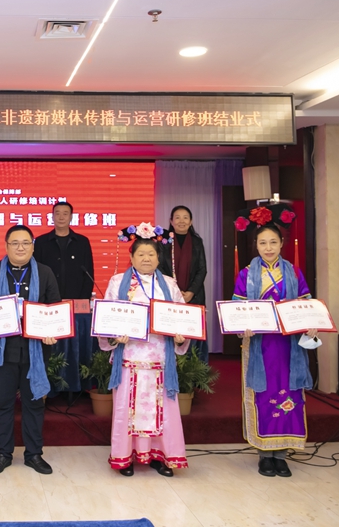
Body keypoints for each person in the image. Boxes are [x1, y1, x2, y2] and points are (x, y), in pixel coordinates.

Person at [99, 223, 190, 478]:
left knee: (162, 412)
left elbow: (182, 316)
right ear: (131, 257)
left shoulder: (169, 284)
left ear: (159, 258)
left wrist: (181, 335)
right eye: (141, 254)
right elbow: (107, 317)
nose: (146, 258)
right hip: (129, 356)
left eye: (151, 254)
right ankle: (125, 457)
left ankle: (159, 456)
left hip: (161, 357)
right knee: (127, 409)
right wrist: (115, 335)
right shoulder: (118, 282)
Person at [233, 219, 317, 478]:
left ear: (281, 244)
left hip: (288, 347)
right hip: (260, 347)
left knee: (290, 394)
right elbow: (237, 308)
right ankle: (264, 455)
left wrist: (311, 324)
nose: (268, 248)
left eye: (273, 242)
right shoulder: (247, 274)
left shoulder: (294, 273)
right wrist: (243, 326)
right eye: (263, 243)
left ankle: (281, 456)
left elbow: (305, 303)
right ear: (256, 246)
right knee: (263, 395)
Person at [0, 225, 60, 475]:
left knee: (34, 404)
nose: (20, 247)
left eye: (25, 242)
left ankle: (34, 454)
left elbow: (54, 308)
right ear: (6, 246)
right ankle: (2, 454)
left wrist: (52, 332)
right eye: (15, 243)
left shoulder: (45, 273)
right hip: (2, 350)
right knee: (2, 403)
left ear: (33, 246)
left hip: (35, 351)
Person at [158, 205, 208, 360]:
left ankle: (195, 370)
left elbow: (202, 269)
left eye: (185, 217)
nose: (181, 221)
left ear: (191, 221)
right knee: (172, 334)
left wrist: (191, 292)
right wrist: (175, 292)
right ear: (171, 221)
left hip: (194, 296)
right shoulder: (163, 242)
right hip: (170, 295)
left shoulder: (197, 242)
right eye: (177, 217)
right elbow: (159, 268)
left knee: (193, 336)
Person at [34, 201, 95, 300]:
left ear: (71, 217)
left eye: (65, 214)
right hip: (47, 300)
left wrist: (83, 299)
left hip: (76, 299)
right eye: (57, 214)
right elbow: (36, 273)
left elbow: (88, 275)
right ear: (52, 216)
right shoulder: (41, 242)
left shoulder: (82, 242)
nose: (61, 217)